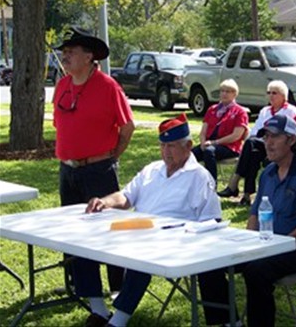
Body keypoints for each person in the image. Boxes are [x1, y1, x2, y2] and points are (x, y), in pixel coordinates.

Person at [77, 113, 232, 327]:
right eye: (162, 146)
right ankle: (99, 311)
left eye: (172, 146)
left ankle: (118, 321)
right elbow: (126, 197)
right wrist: (105, 202)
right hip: (137, 231)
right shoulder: (152, 169)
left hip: (172, 242)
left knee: (143, 254)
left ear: (188, 146)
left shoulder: (199, 176)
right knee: (82, 242)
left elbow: (211, 221)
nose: (165, 152)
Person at [212, 115, 296, 327]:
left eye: (274, 137)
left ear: (291, 140)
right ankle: (227, 322)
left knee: (256, 270)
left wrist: (284, 243)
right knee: (213, 260)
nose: (268, 142)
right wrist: (249, 241)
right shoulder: (268, 172)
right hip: (265, 244)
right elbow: (255, 213)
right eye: (265, 137)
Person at [53, 26, 135, 294]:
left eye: (71, 52)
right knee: (72, 230)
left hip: (99, 169)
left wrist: (113, 155)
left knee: (107, 228)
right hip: (68, 170)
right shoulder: (62, 85)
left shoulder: (108, 86)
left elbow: (127, 126)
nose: (65, 57)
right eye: (63, 53)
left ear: (88, 57)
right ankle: (78, 284)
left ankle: (116, 287)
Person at [217, 80, 296, 205]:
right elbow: (255, 131)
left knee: (251, 148)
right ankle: (247, 195)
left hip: (279, 146)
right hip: (262, 143)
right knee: (251, 149)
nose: (271, 95)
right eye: (268, 93)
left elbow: (290, 132)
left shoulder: (291, 111)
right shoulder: (265, 111)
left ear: (283, 96)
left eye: (274, 93)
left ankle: (235, 183)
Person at [192, 79, 249, 183]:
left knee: (209, 152)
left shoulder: (240, 112)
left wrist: (214, 142)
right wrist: (202, 143)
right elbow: (203, 131)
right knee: (190, 155)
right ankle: (191, 184)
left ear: (234, 94)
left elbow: (236, 136)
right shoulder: (212, 109)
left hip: (229, 147)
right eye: (222, 91)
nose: (224, 94)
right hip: (209, 144)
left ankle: (211, 184)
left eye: (228, 91)